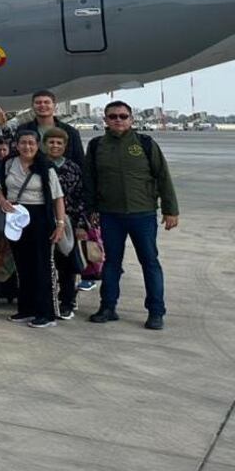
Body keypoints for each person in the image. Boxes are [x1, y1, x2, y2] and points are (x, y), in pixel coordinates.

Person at [84, 101, 178, 330]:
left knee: (149, 262)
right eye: (113, 116)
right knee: (111, 264)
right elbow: (90, 181)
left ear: (131, 119)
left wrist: (170, 209)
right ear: (105, 120)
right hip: (110, 215)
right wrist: (91, 210)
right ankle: (108, 307)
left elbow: (163, 176)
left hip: (142, 214)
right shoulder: (97, 146)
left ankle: (156, 311)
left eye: (123, 116)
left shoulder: (145, 143)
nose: (118, 120)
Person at [0, 129, 67, 329]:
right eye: (23, 143)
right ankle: (26, 308)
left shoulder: (46, 167)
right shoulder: (9, 164)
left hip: (39, 218)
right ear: (17, 145)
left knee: (41, 266)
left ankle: (46, 313)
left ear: (38, 146)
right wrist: (1, 200)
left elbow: (58, 197)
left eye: (31, 143)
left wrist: (60, 224)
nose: (27, 147)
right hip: (16, 217)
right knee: (22, 265)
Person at [43, 127, 88, 320]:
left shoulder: (72, 168)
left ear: (65, 146)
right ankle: (47, 298)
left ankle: (67, 300)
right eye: (51, 142)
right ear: (44, 145)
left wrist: (80, 225)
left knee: (66, 263)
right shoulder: (39, 165)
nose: (55, 146)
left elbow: (79, 198)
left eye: (59, 143)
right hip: (43, 220)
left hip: (66, 221)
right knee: (44, 262)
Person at [0, 90, 86, 166]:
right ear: (32, 106)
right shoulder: (23, 129)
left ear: (54, 106)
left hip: (64, 183)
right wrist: (4, 125)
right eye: (38, 102)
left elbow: (80, 161)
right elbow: (14, 151)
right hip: (34, 182)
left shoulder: (70, 132)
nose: (42, 105)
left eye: (46, 102)